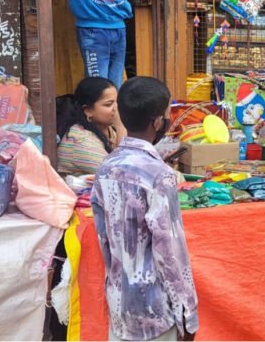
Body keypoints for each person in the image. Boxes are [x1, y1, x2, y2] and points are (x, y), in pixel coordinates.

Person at [91, 77, 198, 341]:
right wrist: (188, 314)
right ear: (157, 122)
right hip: (155, 314)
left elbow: (104, 239)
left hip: (120, 310)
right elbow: (171, 254)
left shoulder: (106, 167)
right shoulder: (159, 175)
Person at [50, 0, 169, 89]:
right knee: (98, 89)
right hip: (92, 31)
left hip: (118, 28)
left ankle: (111, 110)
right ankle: (90, 110)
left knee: (114, 88)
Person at [57, 77, 118, 176]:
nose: (116, 109)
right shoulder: (80, 140)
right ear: (88, 110)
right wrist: (121, 126)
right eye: (108, 104)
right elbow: (120, 176)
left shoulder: (109, 129)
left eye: (117, 102)